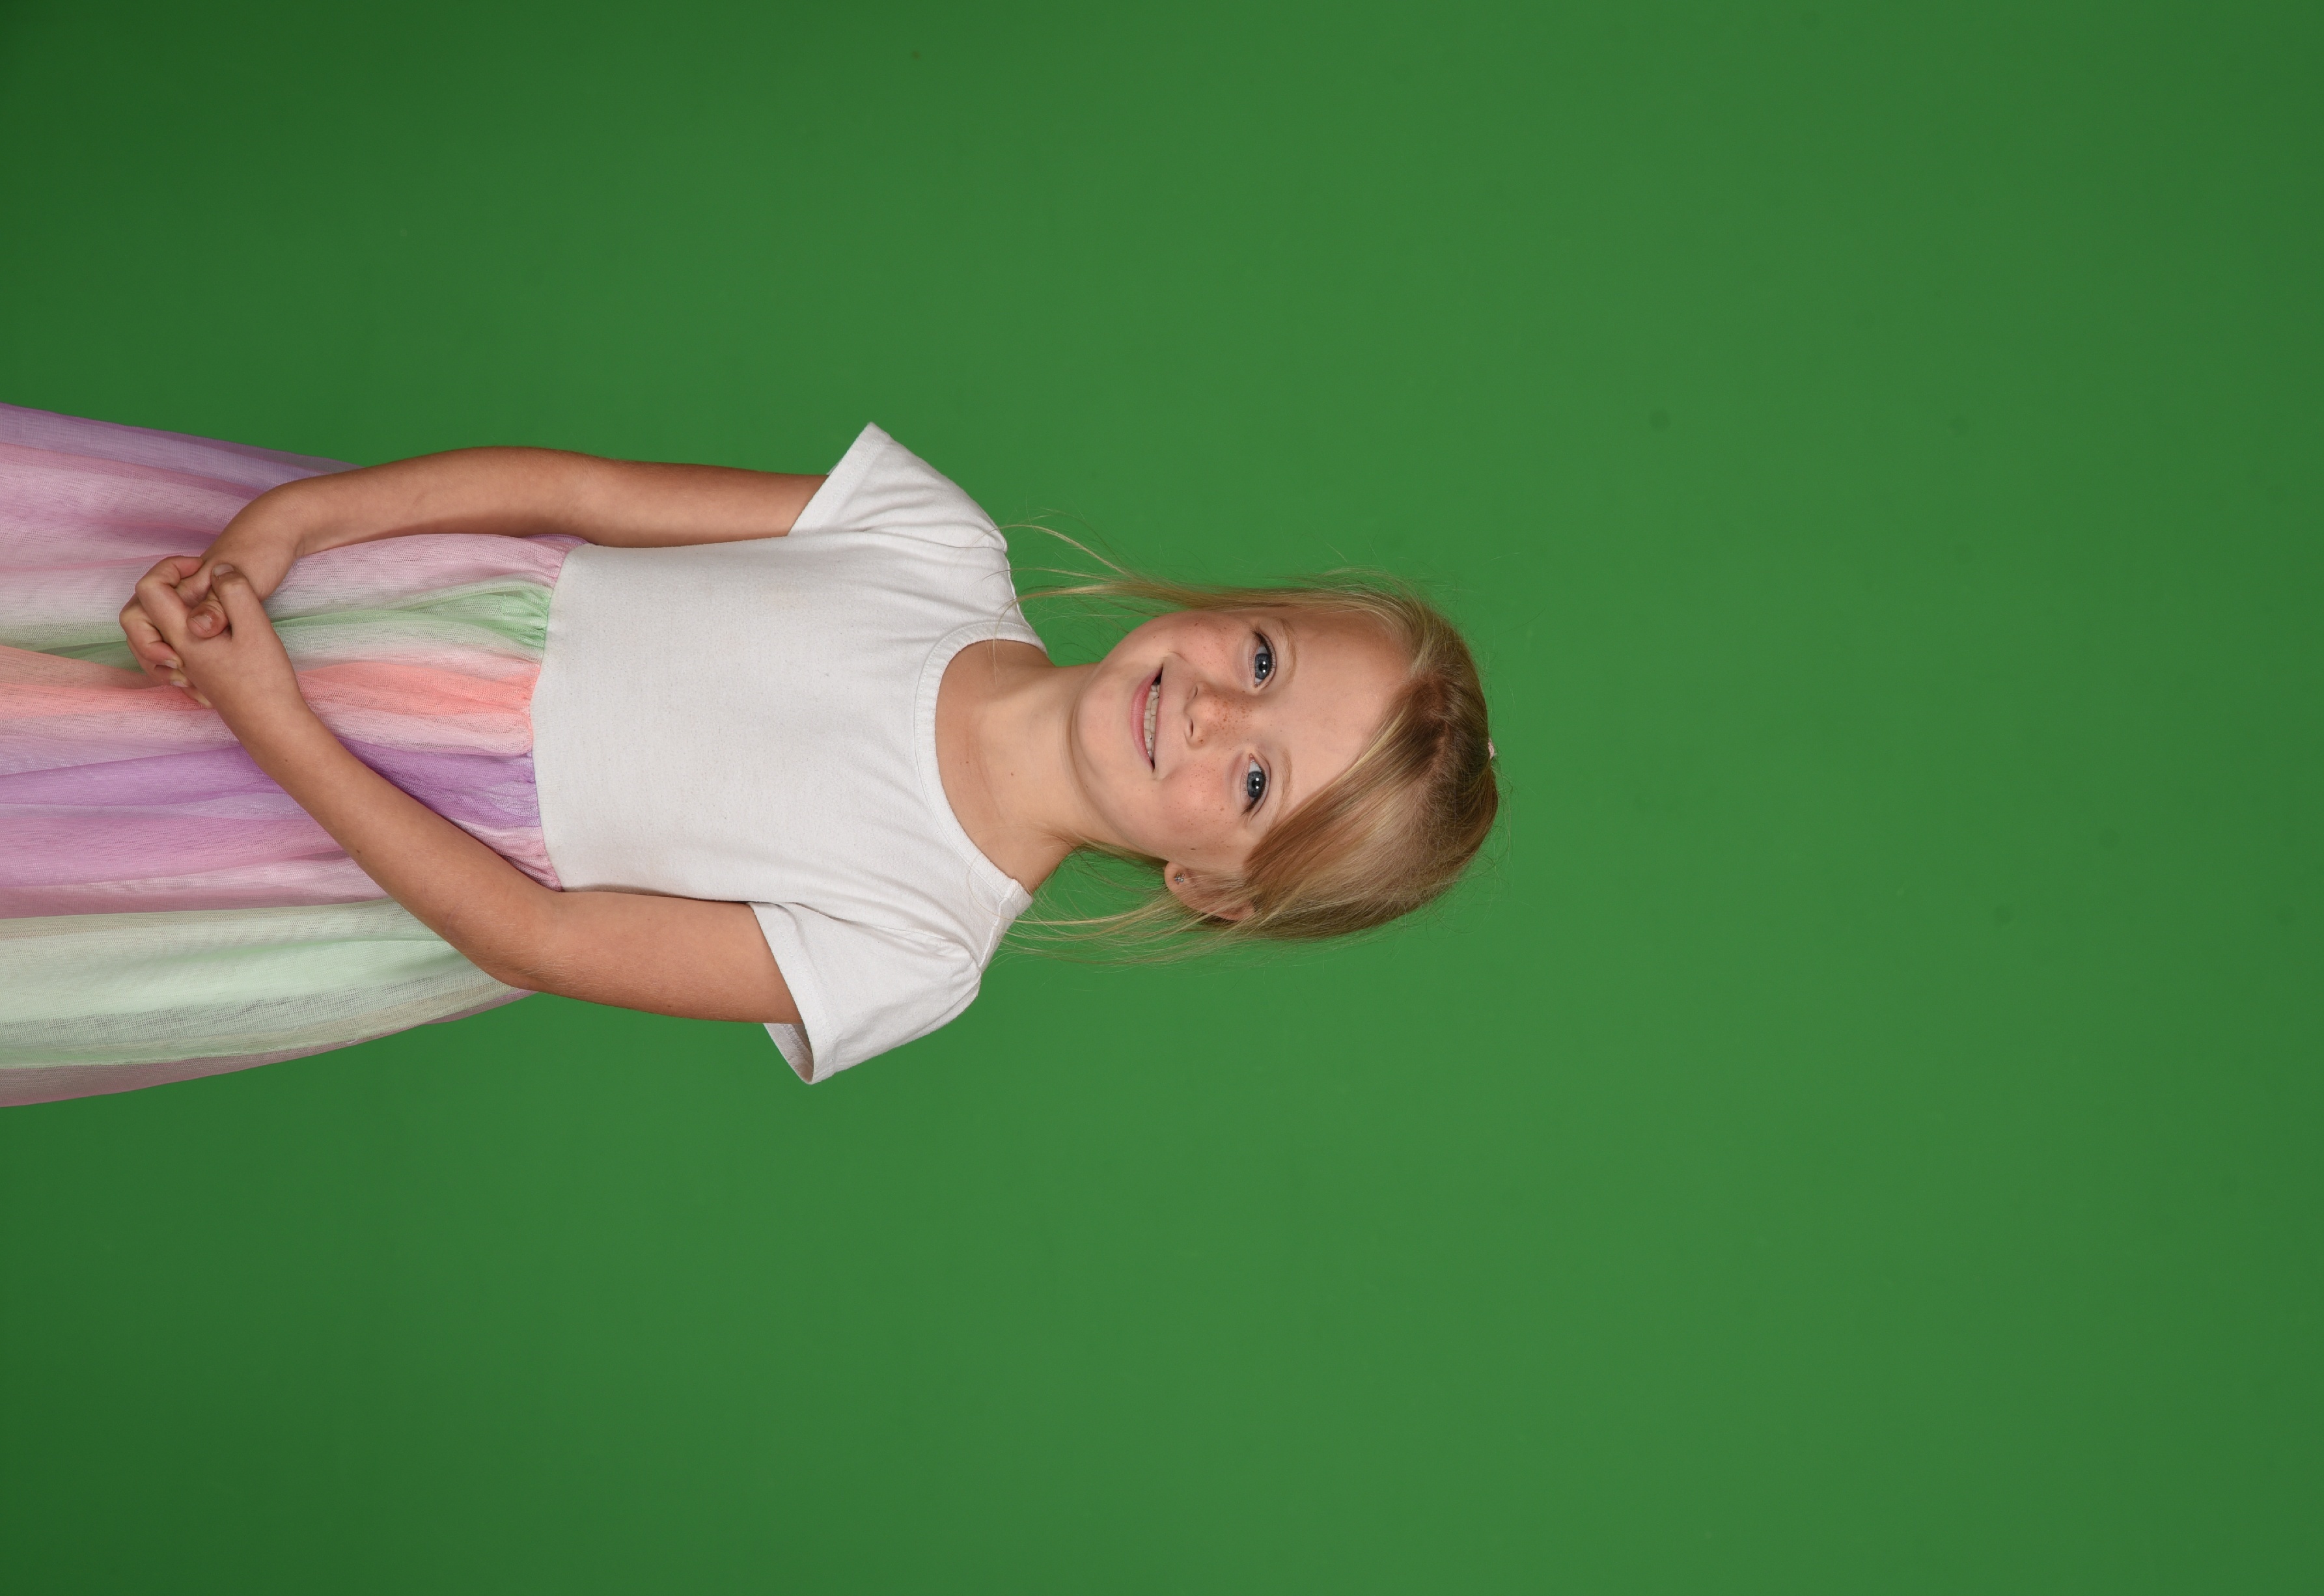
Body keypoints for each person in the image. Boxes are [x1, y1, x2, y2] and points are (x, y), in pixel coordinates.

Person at [0, 404, 1497, 1106]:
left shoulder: (915, 949)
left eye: (1256, 784)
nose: (1218, 713)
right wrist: (296, 523)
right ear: (1239, 608)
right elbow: (575, 489)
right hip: (358, 602)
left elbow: (534, 936)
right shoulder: (931, 537)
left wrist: (270, 724)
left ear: (1212, 887)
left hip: (322, 827)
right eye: (1262, 661)